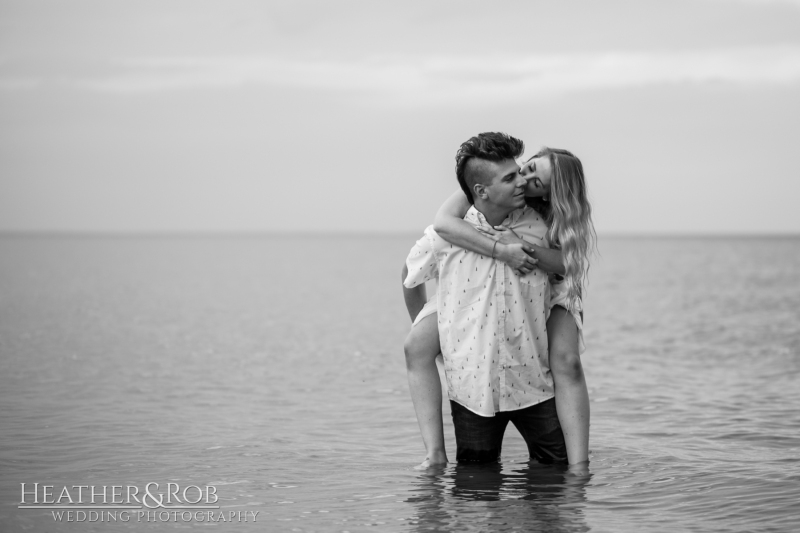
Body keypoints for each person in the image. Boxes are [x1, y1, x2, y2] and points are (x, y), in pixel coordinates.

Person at [402, 136, 596, 468]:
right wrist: (502, 250)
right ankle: (434, 456)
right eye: (527, 169)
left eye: (536, 183)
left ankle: (579, 467)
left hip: (554, 284)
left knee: (566, 361)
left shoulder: (546, 221)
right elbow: (441, 227)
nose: (524, 181)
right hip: (472, 289)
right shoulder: (465, 211)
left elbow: (568, 264)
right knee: (416, 345)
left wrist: (523, 247)